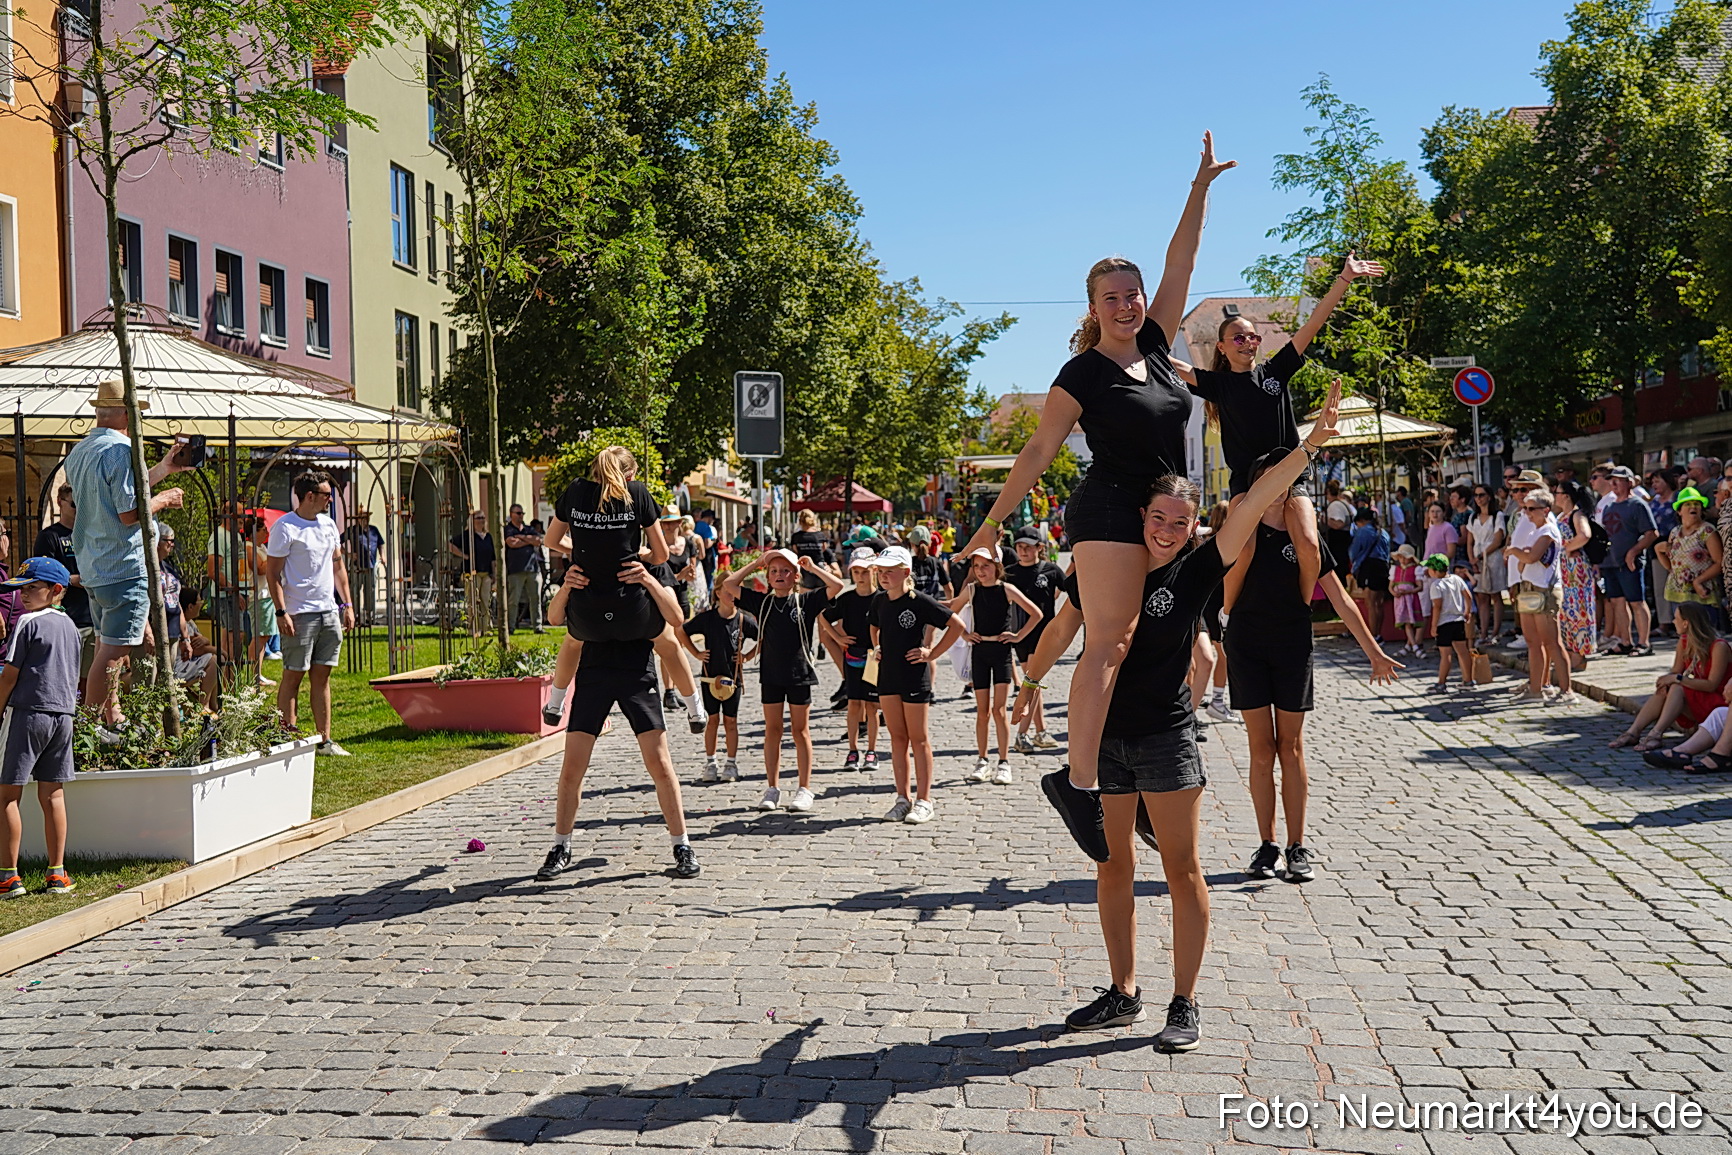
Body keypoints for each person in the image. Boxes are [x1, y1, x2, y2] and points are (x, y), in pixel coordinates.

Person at [1015, 382, 1356, 1053]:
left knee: (1181, 868)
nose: (1167, 530)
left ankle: (1184, 1001)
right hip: (1106, 739)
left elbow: (1255, 501)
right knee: (1112, 866)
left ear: (1196, 526)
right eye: (1158, 517)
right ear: (1140, 514)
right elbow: (1061, 628)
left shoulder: (1199, 568)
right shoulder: (1105, 564)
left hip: (1166, 739)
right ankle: (1123, 991)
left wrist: (1310, 445)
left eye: (1180, 521)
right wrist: (1029, 680)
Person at [962, 132, 1235, 804]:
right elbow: (1037, 451)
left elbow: (1183, 259)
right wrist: (992, 524)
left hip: (1165, 513)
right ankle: (1078, 780)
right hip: (1111, 507)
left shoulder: (1157, 345)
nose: (1126, 304)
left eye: (1132, 294)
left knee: (1153, 639)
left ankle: (1127, 770)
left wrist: (1199, 188)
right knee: (1109, 640)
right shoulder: (1082, 372)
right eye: (1111, 297)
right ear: (1092, 308)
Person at [1220, 439, 1402, 884]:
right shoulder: (1241, 529)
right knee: (1261, 750)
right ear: (1257, 484)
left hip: (1292, 643)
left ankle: (1297, 845)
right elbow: (1214, 587)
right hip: (1246, 642)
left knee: (1292, 747)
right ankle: (1267, 844)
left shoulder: (1305, 534)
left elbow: (1339, 597)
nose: (1277, 486)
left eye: (1285, 478)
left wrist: (1373, 651)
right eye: (1270, 478)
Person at [1169, 251, 1381, 558]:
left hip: (1289, 473)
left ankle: (1307, 590)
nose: (1247, 343)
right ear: (1221, 347)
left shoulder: (1275, 371)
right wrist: (1126, 337)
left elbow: (1313, 324)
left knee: (1309, 545)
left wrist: (1345, 278)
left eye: (1252, 337)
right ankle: (1227, 593)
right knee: (1240, 549)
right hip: (1247, 481)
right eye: (1238, 338)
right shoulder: (1218, 384)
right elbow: (1169, 363)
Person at [538, 559, 701, 882]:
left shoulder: (647, 567)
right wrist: (567, 585)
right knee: (572, 767)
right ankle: (560, 846)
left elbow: (675, 620)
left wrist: (648, 580)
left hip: (636, 672)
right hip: (594, 674)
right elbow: (555, 618)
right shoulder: (585, 567)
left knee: (660, 764)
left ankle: (682, 845)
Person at [62, 378, 193, 727]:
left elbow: (116, 494)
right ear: (125, 413)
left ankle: (112, 717)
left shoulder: (81, 451)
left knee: (108, 646)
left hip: (95, 565)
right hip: (123, 566)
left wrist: (162, 469)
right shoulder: (121, 451)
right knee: (113, 651)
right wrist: (163, 499)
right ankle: (89, 729)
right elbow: (129, 512)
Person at [719, 549, 844, 813]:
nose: (779, 575)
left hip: (799, 673)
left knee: (800, 731)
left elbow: (837, 586)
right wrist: (755, 563)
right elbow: (729, 585)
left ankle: (804, 788)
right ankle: (772, 788)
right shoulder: (762, 602)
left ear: (795, 576)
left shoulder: (805, 601)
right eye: (774, 571)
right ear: (767, 576)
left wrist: (812, 568)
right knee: (772, 730)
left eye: (786, 571)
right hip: (772, 675)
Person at [868, 546, 968, 824]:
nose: (883, 576)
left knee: (918, 738)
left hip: (914, 676)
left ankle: (924, 800)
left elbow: (957, 626)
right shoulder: (879, 600)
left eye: (890, 571)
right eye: (881, 571)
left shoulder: (920, 600)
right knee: (897, 738)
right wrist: (877, 647)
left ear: (905, 572)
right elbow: (873, 626)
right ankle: (902, 798)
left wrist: (931, 653)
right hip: (887, 676)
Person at [0, 558, 81, 900]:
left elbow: (10, 675)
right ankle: (57, 872)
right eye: (20, 589)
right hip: (63, 717)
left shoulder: (27, 622)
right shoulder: (72, 628)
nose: (23, 595)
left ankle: (8, 877)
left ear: (56, 590)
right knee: (53, 795)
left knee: (7, 795)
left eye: (32, 588)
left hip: (28, 713)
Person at [264, 471, 355, 756]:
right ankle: (286, 740)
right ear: (310, 496)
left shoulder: (329, 525)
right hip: (299, 613)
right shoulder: (285, 527)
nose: (331, 499)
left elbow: (338, 567)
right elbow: (273, 573)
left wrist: (347, 605)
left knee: (322, 677)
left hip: (328, 611)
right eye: (327, 495)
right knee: (293, 675)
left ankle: (324, 741)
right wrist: (281, 612)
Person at [950, 546, 1043, 785]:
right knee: (982, 711)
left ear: (997, 567)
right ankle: (982, 760)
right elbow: (950, 613)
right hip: (979, 652)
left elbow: (1036, 614)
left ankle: (1003, 762)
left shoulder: (1006, 589)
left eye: (986, 566)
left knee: (999, 710)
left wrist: (1018, 636)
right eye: (977, 566)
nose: (981, 571)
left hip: (1002, 653)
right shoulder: (971, 590)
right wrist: (964, 634)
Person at [1609, 603, 1729, 752]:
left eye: (1676, 618)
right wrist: (1666, 680)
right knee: (1667, 688)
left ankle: (1656, 733)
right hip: (1701, 698)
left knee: (1677, 686)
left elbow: (1711, 685)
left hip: (1719, 703)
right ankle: (1633, 732)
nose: (1673, 622)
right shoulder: (1684, 642)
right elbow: (1675, 671)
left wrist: (1677, 679)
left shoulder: (1718, 646)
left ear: (1686, 623)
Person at [678, 590, 758, 783]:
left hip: (733, 679)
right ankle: (710, 763)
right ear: (719, 593)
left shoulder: (743, 620)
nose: (733, 597)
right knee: (712, 720)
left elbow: (764, 636)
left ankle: (731, 764)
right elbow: (681, 631)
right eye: (729, 592)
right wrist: (696, 653)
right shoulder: (707, 618)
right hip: (710, 677)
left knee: (731, 721)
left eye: (736, 592)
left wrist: (747, 656)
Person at [1504, 488, 1573, 702]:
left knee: (1552, 642)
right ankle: (1536, 688)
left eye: (1532, 509)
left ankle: (1567, 691)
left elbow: (1531, 557)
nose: (1527, 513)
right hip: (1529, 588)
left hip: (1545, 589)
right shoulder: (1535, 531)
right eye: (1525, 509)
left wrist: (1514, 552)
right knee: (1533, 642)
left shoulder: (1548, 530)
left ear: (1545, 510)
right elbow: (1527, 558)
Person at [818, 547, 882, 772]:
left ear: (874, 571)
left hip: (874, 659)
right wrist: (837, 638)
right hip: (853, 656)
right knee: (854, 704)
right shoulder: (846, 599)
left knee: (872, 706)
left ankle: (872, 751)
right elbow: (824, 616)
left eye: (865, 572)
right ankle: (853, 750)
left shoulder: (882, 599)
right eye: (856, 572)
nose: (860, 577)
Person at [1004, 527, 1064, 751]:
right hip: (1021, 634)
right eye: (1019, 547)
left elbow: (1073, 590)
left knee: (1033, 682)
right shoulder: (1009, 572)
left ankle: (1027, 733)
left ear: (1039, 548)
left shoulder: (1050, 570)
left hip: (1045, 635)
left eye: (1028, 547)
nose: (1023, 551)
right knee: (1033, 683)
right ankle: (1036, 732)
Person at [32, 485, 96, 686]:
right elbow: (42, 575)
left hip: (93, 617)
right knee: (65, 679)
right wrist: (73, 580)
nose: (79, 509)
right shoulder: (50, 536)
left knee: (89, 680)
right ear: (60, 502)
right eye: (74, 504)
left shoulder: (91, 534)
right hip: (66, 618)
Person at [153, 524, 219, 711]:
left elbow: (176, 605)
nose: (172, 545)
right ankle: (201, 707)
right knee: (157, 678)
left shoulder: (169, 569)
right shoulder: (146, 568)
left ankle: (206, 707)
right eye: (169, 541)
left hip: (174, 633)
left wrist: (185, 638)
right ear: (156, 542)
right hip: (157, 632)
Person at [1599, 466, 1660, 657]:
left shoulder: (1637, 505)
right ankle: (1625, 641)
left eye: (1618, 480)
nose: (1613, 483)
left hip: (1629, 562)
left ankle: (1644, 643)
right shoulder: (1609, 506)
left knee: (1636, 601)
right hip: (1610, 561)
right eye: (1611, 480)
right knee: (1617, 602)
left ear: (1629, 482)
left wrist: (1633, 552)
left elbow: (1652, 533)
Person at [1657, 487, 1722, 624]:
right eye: (1687, 504)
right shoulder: (1675, 532)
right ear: (1679, 511)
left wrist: (1698, 581)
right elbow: (1671, 567)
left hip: (1702, 593)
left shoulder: (1707, 531)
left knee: (1704, 632)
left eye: (1696, 504)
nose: (1693, 507)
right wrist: (1658, 550)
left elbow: (1719, 563)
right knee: (1684, 633)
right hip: (1678, 594)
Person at [1553, 483, 1598, 670]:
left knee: (1578, 610)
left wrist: (1567, 548)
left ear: (1566, 496)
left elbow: (1585, 534)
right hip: (1564, 570)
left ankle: (1579, 654)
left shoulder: (1576, 515)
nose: (1554, 496)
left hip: (1575, 571)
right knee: (1566, 611)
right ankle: (1571, 652)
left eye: (1557, 492)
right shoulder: (1560, 516)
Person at [1464, 484, 1507, 646]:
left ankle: (1495, 632)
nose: (1478, 498)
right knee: (1481, 596)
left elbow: (1497, 540)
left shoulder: (1497, 516)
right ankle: (1483, 633)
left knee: (1495, 594)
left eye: (1481, 495)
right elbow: (1469, 541)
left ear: (1489, 496)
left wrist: (1482, 555)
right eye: (1476, 495)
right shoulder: (1473, 517)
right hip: (1477, 558)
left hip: (1492, 558)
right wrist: (1472, 559)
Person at [1423, 554, 1473, 692]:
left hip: (1444, 622)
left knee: (1445, 654)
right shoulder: (1456, 579)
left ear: (1434, 570)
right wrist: (1467, 611)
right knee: (1463, 651)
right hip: (1458, 620)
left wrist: (1434, 625)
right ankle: (1468, 680)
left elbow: (1437, 606)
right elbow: (1468, 596)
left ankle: (1441, 683)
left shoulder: (1436, 585)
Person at [448, 511, 497, 638]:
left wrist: (494, 573)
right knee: (473, 601)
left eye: (483, 518)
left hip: (486, 573)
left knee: (485, 601)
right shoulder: (467, 535)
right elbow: (450, 545)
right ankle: (474, 628)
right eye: (478, 518)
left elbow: (493, 557)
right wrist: (464, 556)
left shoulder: (488, 536)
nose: (481, 520)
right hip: (471, 572)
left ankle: (486, 628)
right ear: (472, 521)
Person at [501, 503, 546, 633]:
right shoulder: (508, 529)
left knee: (536, 599)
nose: (521, 516)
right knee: (513, 600)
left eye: (522, 513)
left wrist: (522, 537)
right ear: (511, 514)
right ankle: (510, 627)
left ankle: (537, 626)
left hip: (533, 569)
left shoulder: (528, 528)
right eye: (518, 513)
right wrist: (529, 541)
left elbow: (538, 540)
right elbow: (511, 543)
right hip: (515, 569)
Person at [1348, 508, 1390, 637]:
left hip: (1369, 567)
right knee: (1379, 602)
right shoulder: (1383, 532)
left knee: (1371, 603)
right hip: (1383, 566)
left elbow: (1354, 551)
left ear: (1361, 521)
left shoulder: (1363, 531)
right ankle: (1378, 634)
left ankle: (1373, 635)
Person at [342, 508, 386, 628]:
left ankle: (369, 617)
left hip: (371, 565)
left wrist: (382, 555)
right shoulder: (352, 530)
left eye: (366, 517)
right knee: (355, 591)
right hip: (357, 566)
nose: (365, 519)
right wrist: (349, 554)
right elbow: (337, 542)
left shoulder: (374, 530)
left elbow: (381, 544)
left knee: (370, 591)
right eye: (362, 517)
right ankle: (355, 616)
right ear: (358, 519)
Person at [1389, 544, 1424, 657]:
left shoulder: (1416, 569)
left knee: (1410, 623)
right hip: (1400, 600)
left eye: (1405, 557)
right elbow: (1390, 586)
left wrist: (1409, 591)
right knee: (1407, 623)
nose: (1402, 560)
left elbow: (1420, 587)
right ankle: (1413, 646)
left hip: (1411, 599)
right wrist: (1394, 593)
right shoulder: (1395, 570)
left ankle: (1412, 646)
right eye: (1400, 557)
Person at [1322, 480, 1354, 583]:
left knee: (1339, 566)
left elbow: (1339, 524)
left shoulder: (1335, 505)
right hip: (1343, 539)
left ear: (1328, 492)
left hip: (1338, 541)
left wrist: (1324, 519)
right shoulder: (1343, 502)